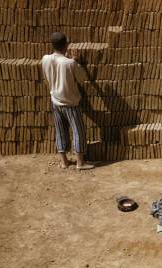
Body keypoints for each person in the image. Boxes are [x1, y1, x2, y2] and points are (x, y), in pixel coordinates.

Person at [41, 32, 94, 170]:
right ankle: (80, 163)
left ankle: (64, 162)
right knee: (78, 131)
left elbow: (47, 77)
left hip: (55, 101)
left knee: (60, 130)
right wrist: (77, 62)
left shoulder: (45, 59)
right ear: (66, 45)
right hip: (70, 103)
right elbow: (82, 79)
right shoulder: (70, 63)